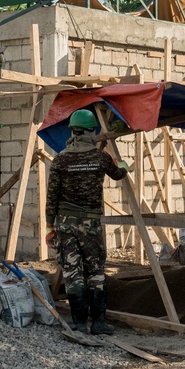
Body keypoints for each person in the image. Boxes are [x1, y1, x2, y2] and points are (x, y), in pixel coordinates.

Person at [46, 109, 128, 335]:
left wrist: (49, 227)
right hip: (90, 225)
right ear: (92, 131)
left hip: (65, 224)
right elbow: (119, 174)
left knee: (72, 272)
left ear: (72, 130)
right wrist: (124, 166)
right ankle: (99, 323)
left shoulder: (60, 159)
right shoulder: (101, 158)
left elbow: (52, 198)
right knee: (95, 270)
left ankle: (79, 323)